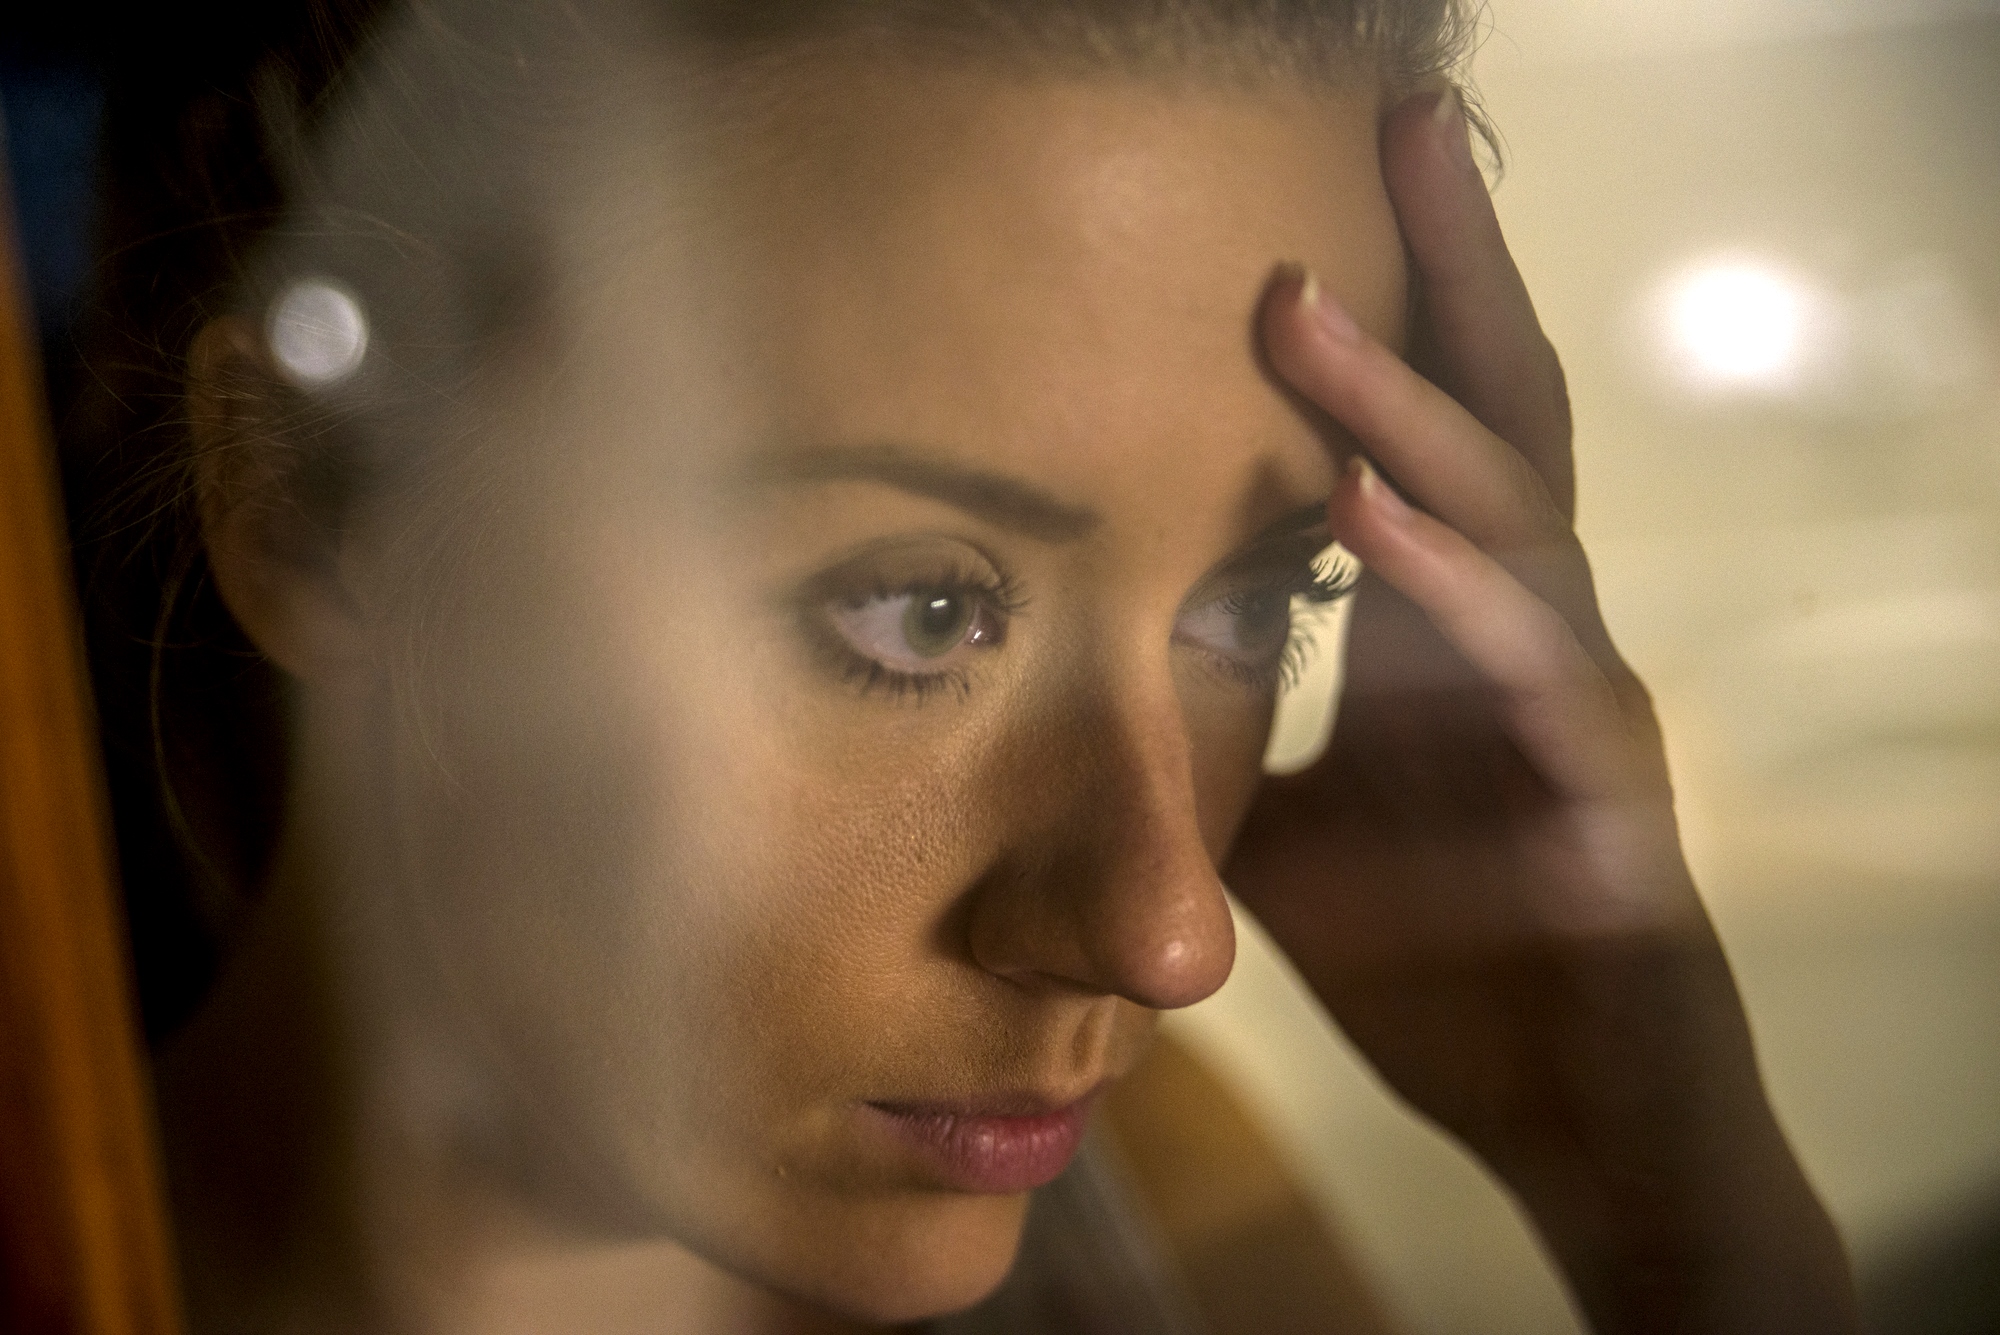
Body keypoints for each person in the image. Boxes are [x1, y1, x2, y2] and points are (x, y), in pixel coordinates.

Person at [62, 0, 1860, 1330]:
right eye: (919, 611)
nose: (1168, 940)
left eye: (1256, 605)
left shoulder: (1161, 1208)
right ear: (307, 502)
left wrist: (1675, 1204)